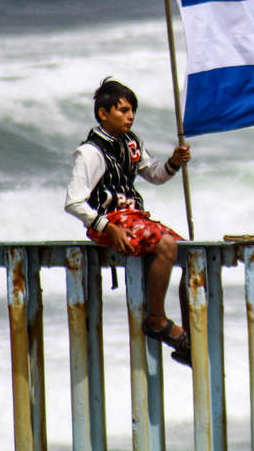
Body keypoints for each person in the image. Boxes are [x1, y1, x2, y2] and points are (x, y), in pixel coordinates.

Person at [64, 78, 193, 366]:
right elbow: (73, 202)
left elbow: (155, 175)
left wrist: (173, 162)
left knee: (193, 254)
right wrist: (108, 227)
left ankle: (191, 337)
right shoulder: (90, 152)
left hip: (136, 217)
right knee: (167, 244)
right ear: (103, 113)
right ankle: (157, 319)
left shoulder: (132, 143)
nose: (130, 116)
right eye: (123, 110)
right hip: (111, 220)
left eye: (132, 110)